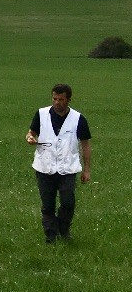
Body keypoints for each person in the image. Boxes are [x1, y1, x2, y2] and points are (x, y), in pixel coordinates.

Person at [25, 83, 92, 243]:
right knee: (47, 205)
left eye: (61, 99)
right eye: (54, 99)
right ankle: (51, 236)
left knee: (68, 203)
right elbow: (31, 133)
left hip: (67, 168)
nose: (57, 102)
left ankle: (64, 230)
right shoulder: (41, 114)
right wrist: (30, 138)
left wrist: (87, 170)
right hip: (44, 167)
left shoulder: (78, 119)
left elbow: (85, 145)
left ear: (68, 100)